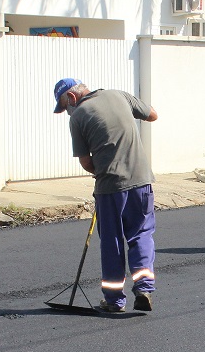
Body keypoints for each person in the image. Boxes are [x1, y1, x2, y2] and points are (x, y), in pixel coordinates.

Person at [54, 77, 159, 313]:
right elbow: (152, 115)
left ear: (72, 97)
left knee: (112, 242)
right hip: (141, 180)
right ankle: (144, 288)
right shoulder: (119, 95)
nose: (68, 112)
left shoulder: (78, 117)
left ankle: (114, 300)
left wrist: (101, 171)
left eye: (65, 107)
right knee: (141, 234)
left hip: (110, 187)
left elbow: (86, 162)